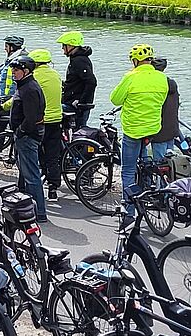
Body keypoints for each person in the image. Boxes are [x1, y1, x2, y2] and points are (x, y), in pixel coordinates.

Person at [110, 44, 168, 214]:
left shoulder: (131, 77)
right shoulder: (161, 78)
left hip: (133, 129)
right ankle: (147, 189)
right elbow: (162, 99)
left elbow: (115, 99)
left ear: (135, 60)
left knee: (128, 170)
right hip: (152, 127)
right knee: (145, 162)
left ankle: (129, 211)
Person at [10, 56, 47, 222]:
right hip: (27, 135)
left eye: (16, 70)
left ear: (26, 71)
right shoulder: (25, 85)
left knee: (32, 175)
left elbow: (31, 117)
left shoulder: (29, 89)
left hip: (28, 137)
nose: (13, 73)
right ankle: (27, 208)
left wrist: (20, 131)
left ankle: (38, 213)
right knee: (26, 174)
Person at [29, 49, 63, 202]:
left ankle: (39, 180)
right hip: (56, 119)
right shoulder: (55, 74)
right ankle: (53, 187)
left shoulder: (34, 77)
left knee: (37, 152)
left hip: (42, 121)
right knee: (53, 155)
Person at [57, 31, 97, 129]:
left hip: (77, 105)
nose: (62, 48)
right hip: (73, 102)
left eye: (64, 45)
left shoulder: (79, 61)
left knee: (78, 131)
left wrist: (81, 102)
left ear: (71, 45)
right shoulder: (76, 59)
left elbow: (91, 82)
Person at [149, 58, 180, 161]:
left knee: (159, 163)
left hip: (159, 131)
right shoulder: (171, 84)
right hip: (172, 128)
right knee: (170, 161)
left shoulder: (154, 86)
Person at [0, 35, 28, 107]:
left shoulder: (18, 61)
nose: (5, 49)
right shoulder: (10, 60)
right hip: (5, 99)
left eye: (6, 46)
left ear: (12, 47)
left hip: (11, 99)